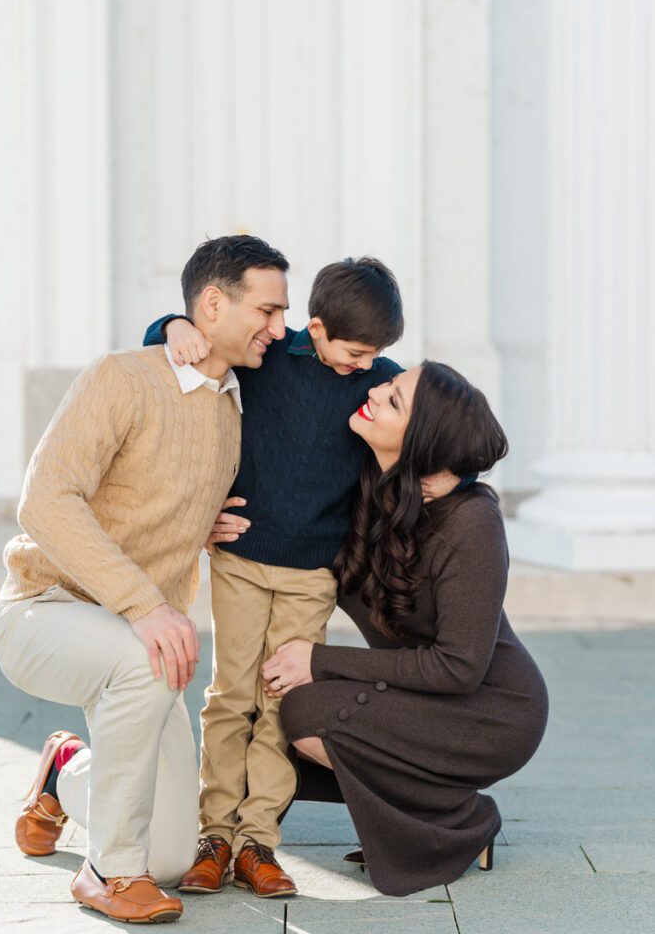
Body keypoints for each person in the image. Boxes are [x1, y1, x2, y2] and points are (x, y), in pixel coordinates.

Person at [0, 235, 289, 924]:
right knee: (157, 657)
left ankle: (66, 773)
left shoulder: (238, 405)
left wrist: (194, 527)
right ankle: (108, 871)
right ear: (211, 304)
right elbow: (46, 500)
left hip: (139, 634)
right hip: (45, 610)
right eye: (267, 310)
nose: (278, 328)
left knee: (177, 855)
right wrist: (146, 604)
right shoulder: (121, 376)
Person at [143, 259, 455, 897]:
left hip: (313, 574)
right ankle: (215, 836)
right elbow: (175, 346)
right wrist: (171, 324)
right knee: (232, 696)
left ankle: (258, 841)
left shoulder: (378, 380)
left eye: (378, 355)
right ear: (314, 327)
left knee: (279, 700)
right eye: (355, 351)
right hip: (240, 561)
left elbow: (434, 423)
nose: (366, 366)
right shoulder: (267, 359)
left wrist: (449, 481)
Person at [262, 361, 549, 897]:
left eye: (394, 399)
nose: (375, 391)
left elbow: (458, 667)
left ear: (423, 438)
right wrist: (220, 523)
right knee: (268, 732)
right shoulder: (379, 487)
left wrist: (318, 661)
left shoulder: (472, 521)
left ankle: (459, 822)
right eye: (389, 387)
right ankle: (436, 823)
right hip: (419, 695)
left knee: (308, 712)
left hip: (493, 712)